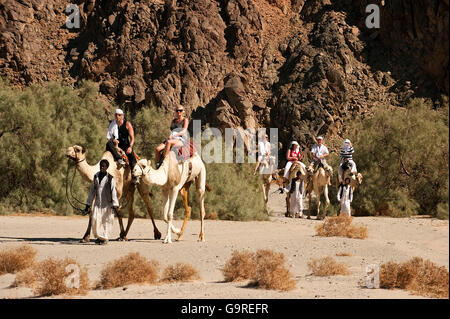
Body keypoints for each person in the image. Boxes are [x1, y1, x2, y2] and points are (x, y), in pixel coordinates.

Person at [84, 159, 119, 245]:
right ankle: (100, 237)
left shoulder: (110, 178)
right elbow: (92, 190)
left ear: (107, 167)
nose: (102, 167)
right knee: (96, 220)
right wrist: (88, 204)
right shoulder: (96, 176)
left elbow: (113, 191)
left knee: (106, 221)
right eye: (101, 166)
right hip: (97, 203)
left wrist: (115, 204)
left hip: (107, 204)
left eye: (104, 166)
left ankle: (105, 238)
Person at [106, 108, 137, 176]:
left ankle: (134, 175)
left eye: (119, 115)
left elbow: (132, 138)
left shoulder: (127, 124)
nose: (117, 116)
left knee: (132, 157)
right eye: (116, 115)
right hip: (116, 145)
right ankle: (119, 159)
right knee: (108, 144)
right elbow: (109, 137)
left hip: (126, 145)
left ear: (122, 116)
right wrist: (113, 140)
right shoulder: (112, 124)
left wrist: (130, 147)